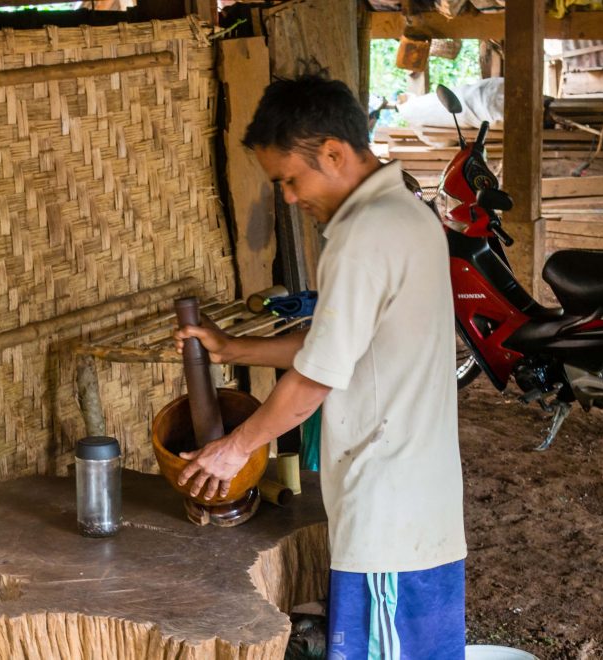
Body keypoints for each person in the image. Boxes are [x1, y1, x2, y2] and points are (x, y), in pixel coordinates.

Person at [174, 76, 467, 658]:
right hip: (416, 502)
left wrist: (236, 447)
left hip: (388, 515)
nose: (286, 197)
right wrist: (236, 350)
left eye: (289, 179)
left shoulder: (362, 236)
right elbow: (344, 347)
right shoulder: (407, 215)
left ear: (333, 153)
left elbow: (315, 379)